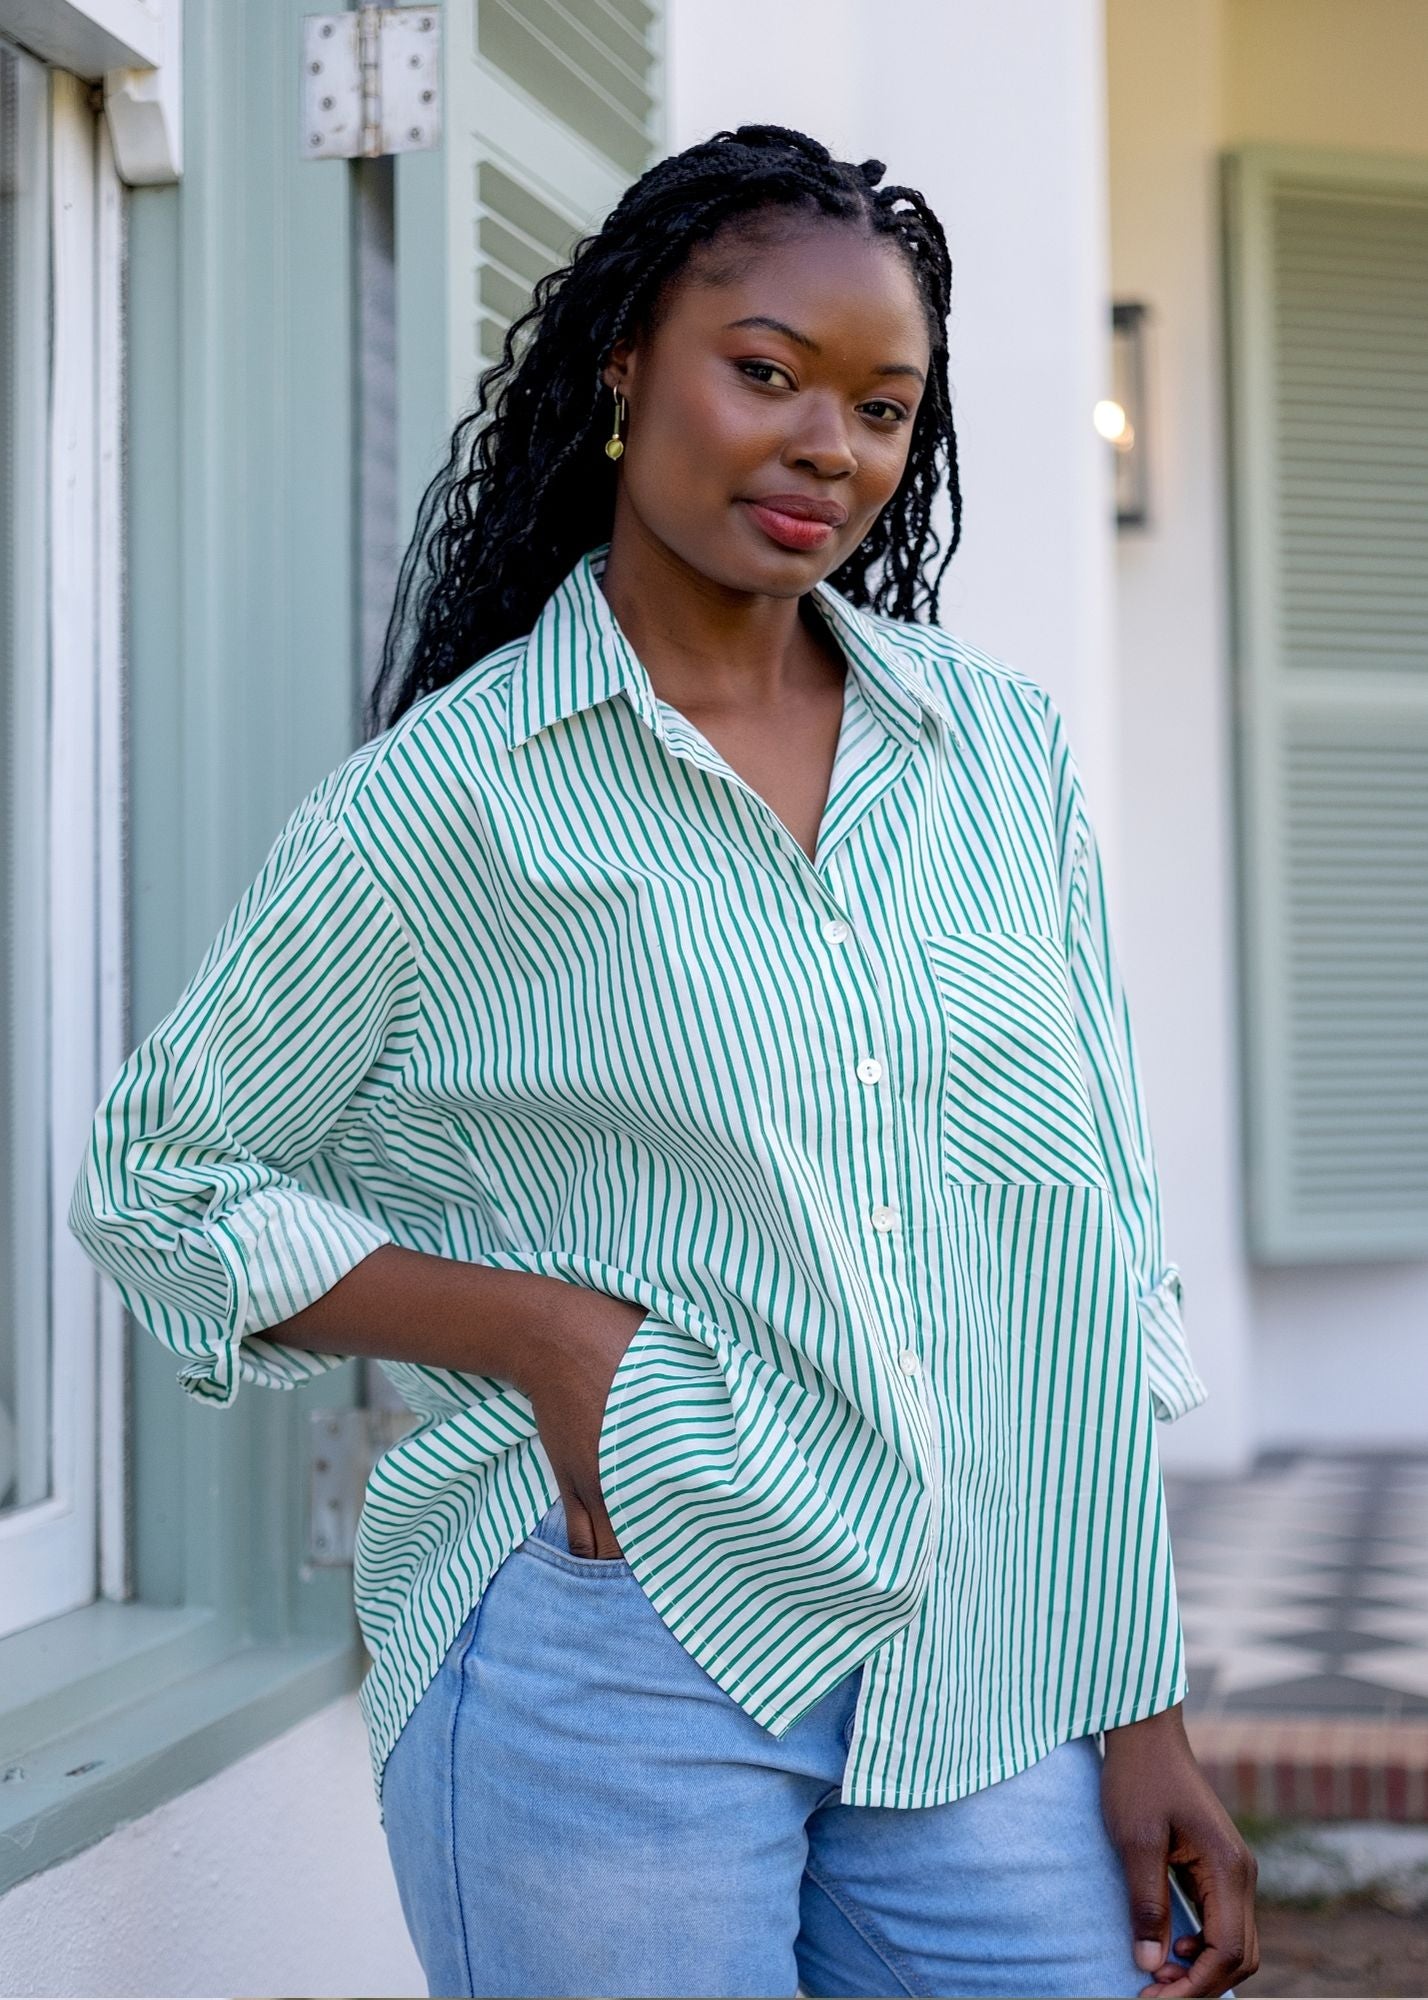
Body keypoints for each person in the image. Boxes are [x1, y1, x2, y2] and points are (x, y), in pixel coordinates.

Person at [69, 124, 1257, 1999]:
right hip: (612, 1640)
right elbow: (160, 1184)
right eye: (768, 373)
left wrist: (1141, 1702)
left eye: (882, 408)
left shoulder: (997, 760)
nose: (830, 447)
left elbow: (1081, 1242)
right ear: (625, 360)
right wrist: (554, 1338)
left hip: (976, 1661)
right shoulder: (449, 804)